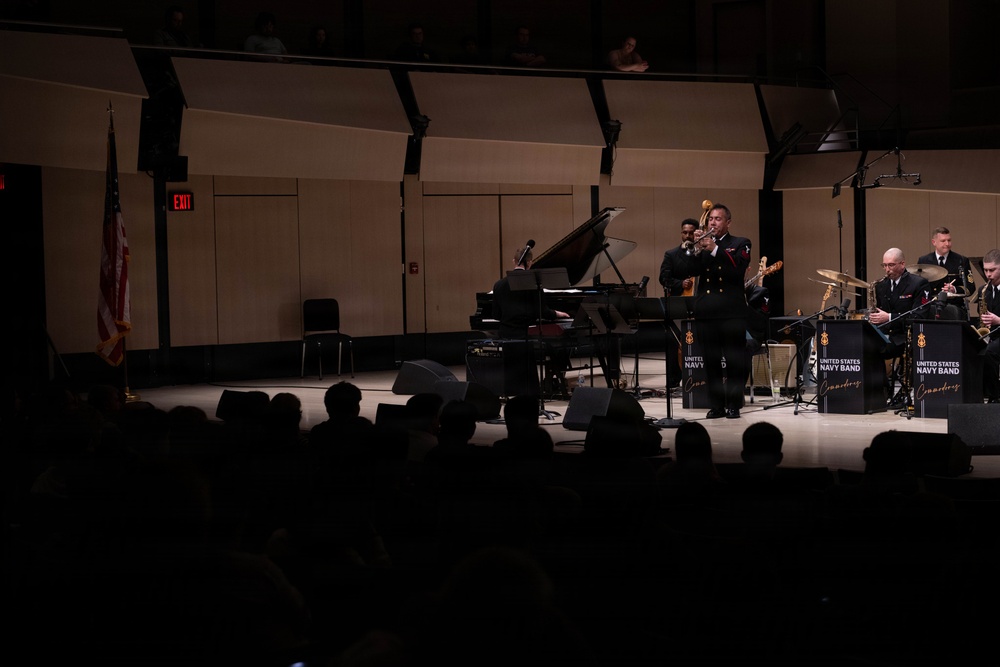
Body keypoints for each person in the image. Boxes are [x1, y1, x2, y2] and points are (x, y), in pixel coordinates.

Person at [678, 203, 752, 419]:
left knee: (733, 361)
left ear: (728, 222)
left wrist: (715, 249)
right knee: (710, 363)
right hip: (707, 312)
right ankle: (717, 405)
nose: (713, 222)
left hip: (731, 312)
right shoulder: (702, 244)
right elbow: (690, 270)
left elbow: (737, 270)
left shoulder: (741, 243)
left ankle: (733, 405)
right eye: (711, 219)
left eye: (718, 219)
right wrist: (696, 248)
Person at [868, 248, 930, 407]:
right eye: (884, 265)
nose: (887, 269)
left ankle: (903, 394)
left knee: (914, 350)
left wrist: (888, 317)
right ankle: (881, 392)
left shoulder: (918, 283)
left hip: (906, 335)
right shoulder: (880, 285)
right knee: (867, 348)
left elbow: (918, 316)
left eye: (891, 265)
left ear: (903, 264)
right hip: (886, 335)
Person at [492, 245, 570, 340]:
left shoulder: (498, 285)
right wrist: (557, 314)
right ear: (529, 263)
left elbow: (496, 315)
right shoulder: (534, 284)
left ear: (514, 261)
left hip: (505, 336)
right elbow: (542, 312)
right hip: (526, 337)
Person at [658, 218, 699, 389]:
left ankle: (698, 378)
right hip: (678, 305)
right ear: (681, 233)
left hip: (699, 304)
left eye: (691, 232)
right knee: (675, 344)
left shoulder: (702, 253)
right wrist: (679, 284)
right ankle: (674, 380)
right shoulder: (671, 254)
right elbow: (663, 279)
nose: (688, 235)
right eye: (685, 232)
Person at [917, 226, 975, 319]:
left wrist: (954, 289)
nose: (947, 244)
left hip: (954, 307)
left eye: (949, 240)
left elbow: (971, 287)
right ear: (934, 242)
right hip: (931, 307)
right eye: (943, 241)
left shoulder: (961, 260)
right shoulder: (924, 260)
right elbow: (919, 287)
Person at [977, 249, 1000, 403]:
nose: (988, 274)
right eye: (985, 270)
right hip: (991, 335)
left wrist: (998, 320)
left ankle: (995, 395)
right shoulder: (983, 290)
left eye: (992, 270)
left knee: (988, 352)